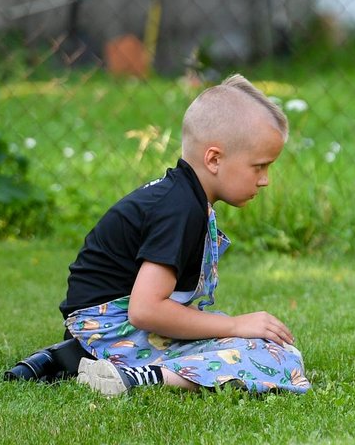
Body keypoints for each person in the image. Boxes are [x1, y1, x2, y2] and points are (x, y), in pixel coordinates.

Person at [59, 73, 310, 396]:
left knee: (253, 342)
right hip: (109, 331)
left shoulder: (183, 198)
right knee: (275, 357)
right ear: (214, 159)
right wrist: (235, 325)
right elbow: (145, 310)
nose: (265, 180)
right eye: (259, 166)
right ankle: (135, 378)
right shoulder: (180, 209)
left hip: (102, 330)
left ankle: (72, 358)